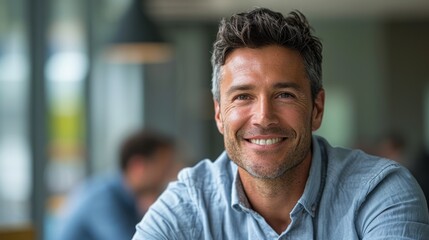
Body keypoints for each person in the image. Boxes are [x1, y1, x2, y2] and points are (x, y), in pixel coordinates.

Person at [132, 8, 429, 239]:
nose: (263, 117)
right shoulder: (190, 202)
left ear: (316, 108)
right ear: (220, 114)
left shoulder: (379, 193)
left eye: (284, 94)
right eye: (243, 96)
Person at [59, 130, 177, 240]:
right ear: (138, 166)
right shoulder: (103, 199)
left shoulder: (126, 198)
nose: (168, 176)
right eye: (164, 168)